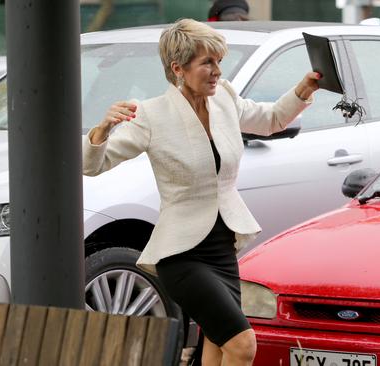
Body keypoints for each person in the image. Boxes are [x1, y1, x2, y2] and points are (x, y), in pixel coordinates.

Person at [83, 19, 319, 366]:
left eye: (218, 62)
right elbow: (92, 165)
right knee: (242, 345)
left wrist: (304, 87)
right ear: (178, 68)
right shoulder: (150, 115)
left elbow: (270, 120)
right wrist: (101, 129)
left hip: (222, 248)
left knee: (217, 344)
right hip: (180, 255)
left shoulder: (224, 96)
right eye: (207, 62)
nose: (216, 71)